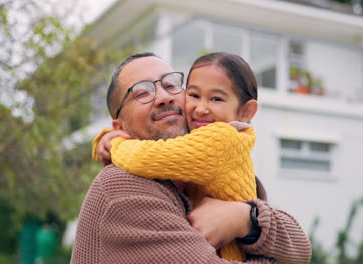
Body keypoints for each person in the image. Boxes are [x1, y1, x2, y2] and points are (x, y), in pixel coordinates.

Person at [71, 52, 311, 264]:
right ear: (119, 125)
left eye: (172, 85)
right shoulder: (124, 186)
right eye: (142, 93)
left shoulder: (199, 174)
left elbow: (301, 249)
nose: (164, 97)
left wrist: (246, 219)